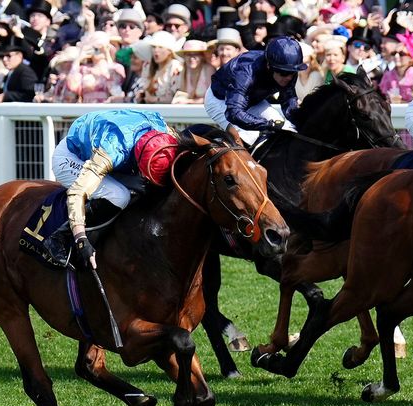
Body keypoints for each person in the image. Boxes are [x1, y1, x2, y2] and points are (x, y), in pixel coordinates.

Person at [53, 109, 178, 269]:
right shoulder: (112, 151)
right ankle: (61, 236)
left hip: (103, 137)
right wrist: (80, 238)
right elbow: (78, 192)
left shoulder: (162, 130)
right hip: (71, 157)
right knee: (120, 196)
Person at [205, 36, 307, 145]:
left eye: (293, 73)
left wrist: (301, 121)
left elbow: (288, 101)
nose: (289, 78)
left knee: (288, 129)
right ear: (269, 66)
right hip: (221, 101)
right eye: (284, 73)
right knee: (252, 139)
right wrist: (267, 125)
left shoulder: (288, 70)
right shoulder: (245, 73)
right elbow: (234, 113)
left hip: (254, 100)